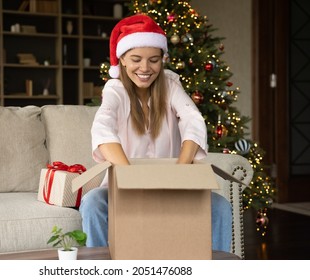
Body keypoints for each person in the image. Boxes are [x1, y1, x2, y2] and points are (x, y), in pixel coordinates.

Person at [79, 14, 232, 252]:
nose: (145, 68)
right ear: (123, 60)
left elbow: (192, 119)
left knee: (219, 206)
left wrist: (181, 171)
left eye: (153, 60)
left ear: (163, 60)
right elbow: (102, 128)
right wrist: (133, 180)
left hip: (171, 189)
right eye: (136, 59)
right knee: (92, 203)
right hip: (124, 191)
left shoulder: (170, 85)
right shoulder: (116, 90)